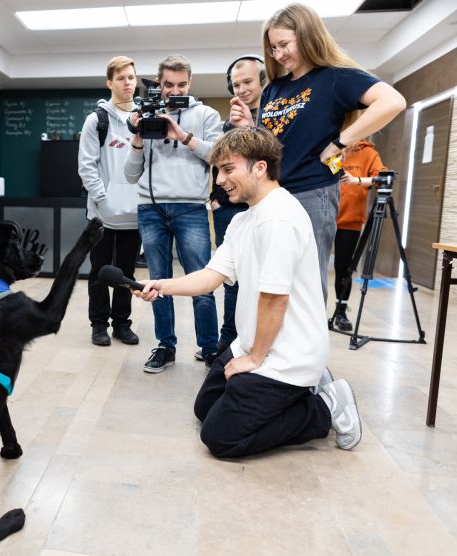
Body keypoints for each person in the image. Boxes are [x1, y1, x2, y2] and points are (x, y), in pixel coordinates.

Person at [134, 127, 362, 457]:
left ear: (260, 167)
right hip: (253, 343)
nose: (221, 180)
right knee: (205, 410)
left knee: (221, 438)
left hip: (286, 357)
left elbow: (275, 298)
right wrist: (160, 286)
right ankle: (291, 395)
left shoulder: (279, 218)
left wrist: (254, 359)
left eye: (228, 169)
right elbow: (211, 277)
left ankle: (322, 409)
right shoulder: (245, 221)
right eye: (217, 171)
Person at [230, 3, 406, 303]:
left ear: (308, 35)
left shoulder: (335, 77)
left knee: (305, 285)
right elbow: (272, 141)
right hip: (272, 194)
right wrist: (250, 127)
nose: (279, 54)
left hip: (312, 192)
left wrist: (340, 143)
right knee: (270, 280)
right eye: (273, 48)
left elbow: (393, 101)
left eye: (284, 44)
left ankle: (305, 350)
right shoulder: (275, 88)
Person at [124, 54, 222, 373]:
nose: (174, 90)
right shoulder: (147, 113)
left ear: (190, 83)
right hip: (150, 208)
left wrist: (183, 136)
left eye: (181, 84)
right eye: (168, 84)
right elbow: (129, 173)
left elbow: (218, 156)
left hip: (191, 208)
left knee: (201, 281)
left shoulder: (206, 114)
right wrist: (138, 137)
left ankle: (209, 348)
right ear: (159, 83)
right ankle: (165, 346)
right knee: (158, 282)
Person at [78, 55, 142, 347]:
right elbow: (87, 166)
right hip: (101, 213)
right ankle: (99, 325)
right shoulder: (97, 120)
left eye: (131, 76)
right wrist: (102, 201)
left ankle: (122, 324)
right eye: (121, 78)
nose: (127, 82)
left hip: (134, 212)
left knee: (126, 273)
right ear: (109, 83)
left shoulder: (144, 118)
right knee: (100, 271)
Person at [207, 55, 266, 356]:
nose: (241, 89)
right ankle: (227, 342)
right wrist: (217, 200)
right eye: (236, 84)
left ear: (263, 82)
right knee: (232, 278)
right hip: (230, 209)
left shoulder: (274, 117)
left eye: (248, 82)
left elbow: (275, 157)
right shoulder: (223, 126)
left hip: (264, 207)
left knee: (263, 277)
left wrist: (253, 125)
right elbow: (218, 166)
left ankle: (259, 342)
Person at [330, 138, 386, 331]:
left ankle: (341, 312)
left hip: (350, 220)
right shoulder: (329, 146)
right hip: (323, 217)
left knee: (343, 268)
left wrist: (358, 180)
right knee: (311, 266)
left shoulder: (367, 152)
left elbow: (383, 178)